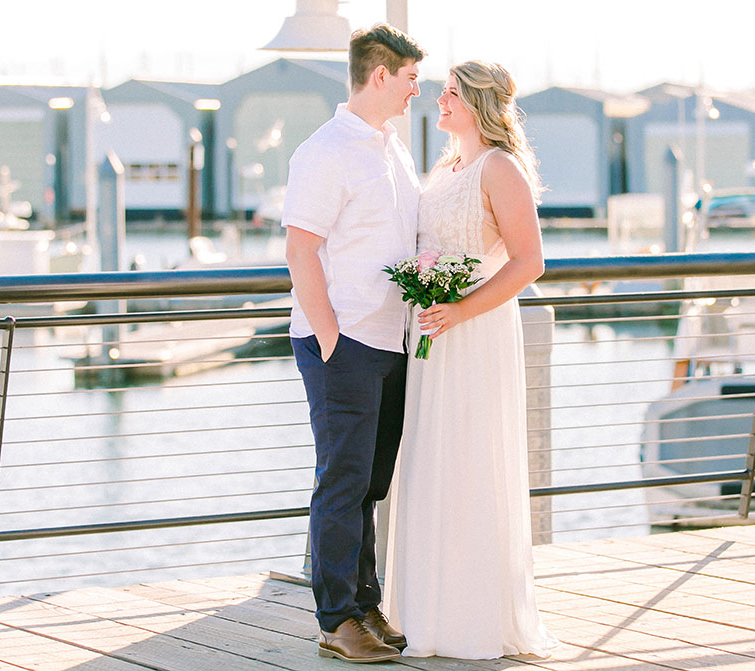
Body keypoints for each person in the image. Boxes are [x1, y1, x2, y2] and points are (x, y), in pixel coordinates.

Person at [386, 60, 558, 659]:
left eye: (452, 92)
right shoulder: (444, 168)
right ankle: (426, 611)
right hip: (433, 336)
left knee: (471, 460)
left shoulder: (498, 167)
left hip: (475, 333)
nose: (440, 98)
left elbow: (528, 261)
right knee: (434, 460)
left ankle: (474, 618)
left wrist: (460, 310)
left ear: (478, 103)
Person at [282, 23, 423, 664]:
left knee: (369, 482)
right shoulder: (325, 151)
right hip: (345, 341)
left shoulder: (393, 147)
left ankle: (365, 603)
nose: (417, 90)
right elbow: (301, 248)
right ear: (379, 75)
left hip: (390, 339)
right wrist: (331, 337)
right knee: (341, 483)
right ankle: (335, 618)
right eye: (411, 78)